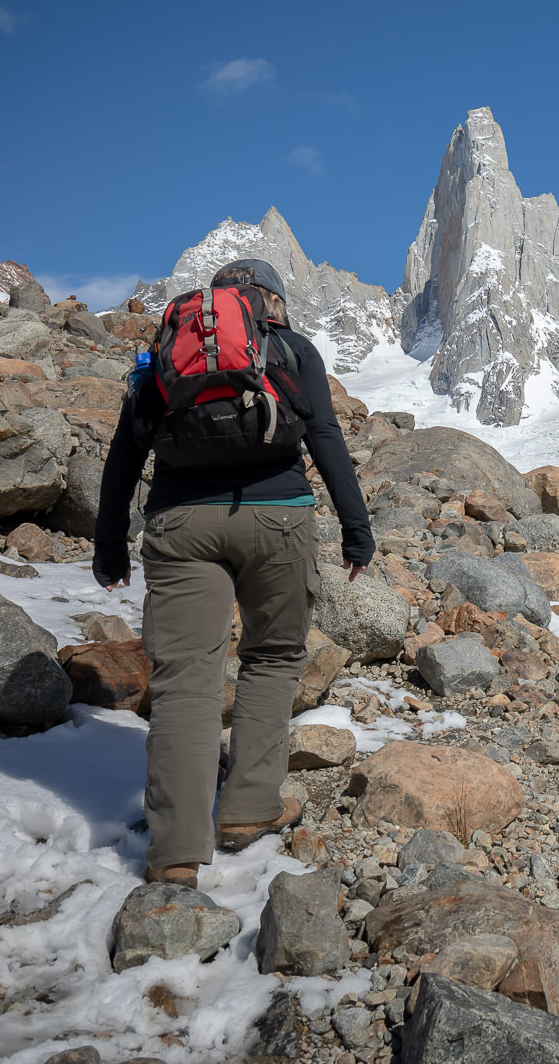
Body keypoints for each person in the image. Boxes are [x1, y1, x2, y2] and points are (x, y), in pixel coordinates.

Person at [93, 258, 373, 887]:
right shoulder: (293, 349)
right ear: (272, 302)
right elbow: (324, 435)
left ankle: (175, 854)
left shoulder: (170, 348)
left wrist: (109, 545)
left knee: (186, 683)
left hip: (181, 522)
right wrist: (357, 530)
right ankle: (247, 812)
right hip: (279, 519)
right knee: (273, 657)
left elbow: (124, 453)